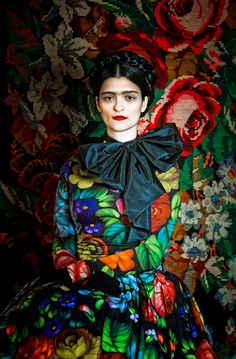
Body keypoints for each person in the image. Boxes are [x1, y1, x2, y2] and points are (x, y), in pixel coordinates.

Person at [0, 51, 217, 358]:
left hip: (136, 285)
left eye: (129, 97)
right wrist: (71, 268)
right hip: (76, 280)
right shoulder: (74, 167)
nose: (118, 106)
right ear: (97, 102)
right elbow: (63, 232)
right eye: (109, 97)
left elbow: (157, 244)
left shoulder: (163, 167)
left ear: (143, 103)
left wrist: (99, 270)